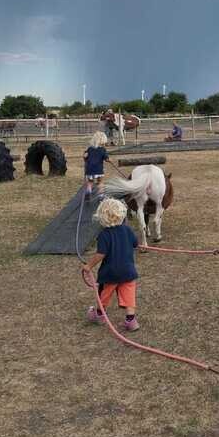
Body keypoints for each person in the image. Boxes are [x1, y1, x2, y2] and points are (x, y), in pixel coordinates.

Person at [81, 198, 141, 331]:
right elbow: (136, 244)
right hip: (128, 271)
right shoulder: (127, 230)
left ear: (102, 217)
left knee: (104, 293)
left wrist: (88, 266)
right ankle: (131, 321)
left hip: (110, 273)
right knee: (129, 294)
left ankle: (99, 314)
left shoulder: (104, 235)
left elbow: (100, 254)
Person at [83, 131, 109, 195]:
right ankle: (101, 194)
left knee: (90, 181)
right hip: (98, 169)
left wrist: (84, 157)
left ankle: (89, 189)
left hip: (89, 169)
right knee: (100, 182)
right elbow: (106, 158)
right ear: (102, 141)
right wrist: (108, 159)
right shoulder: (103, 149)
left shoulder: (89, 149)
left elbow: (85, 157)